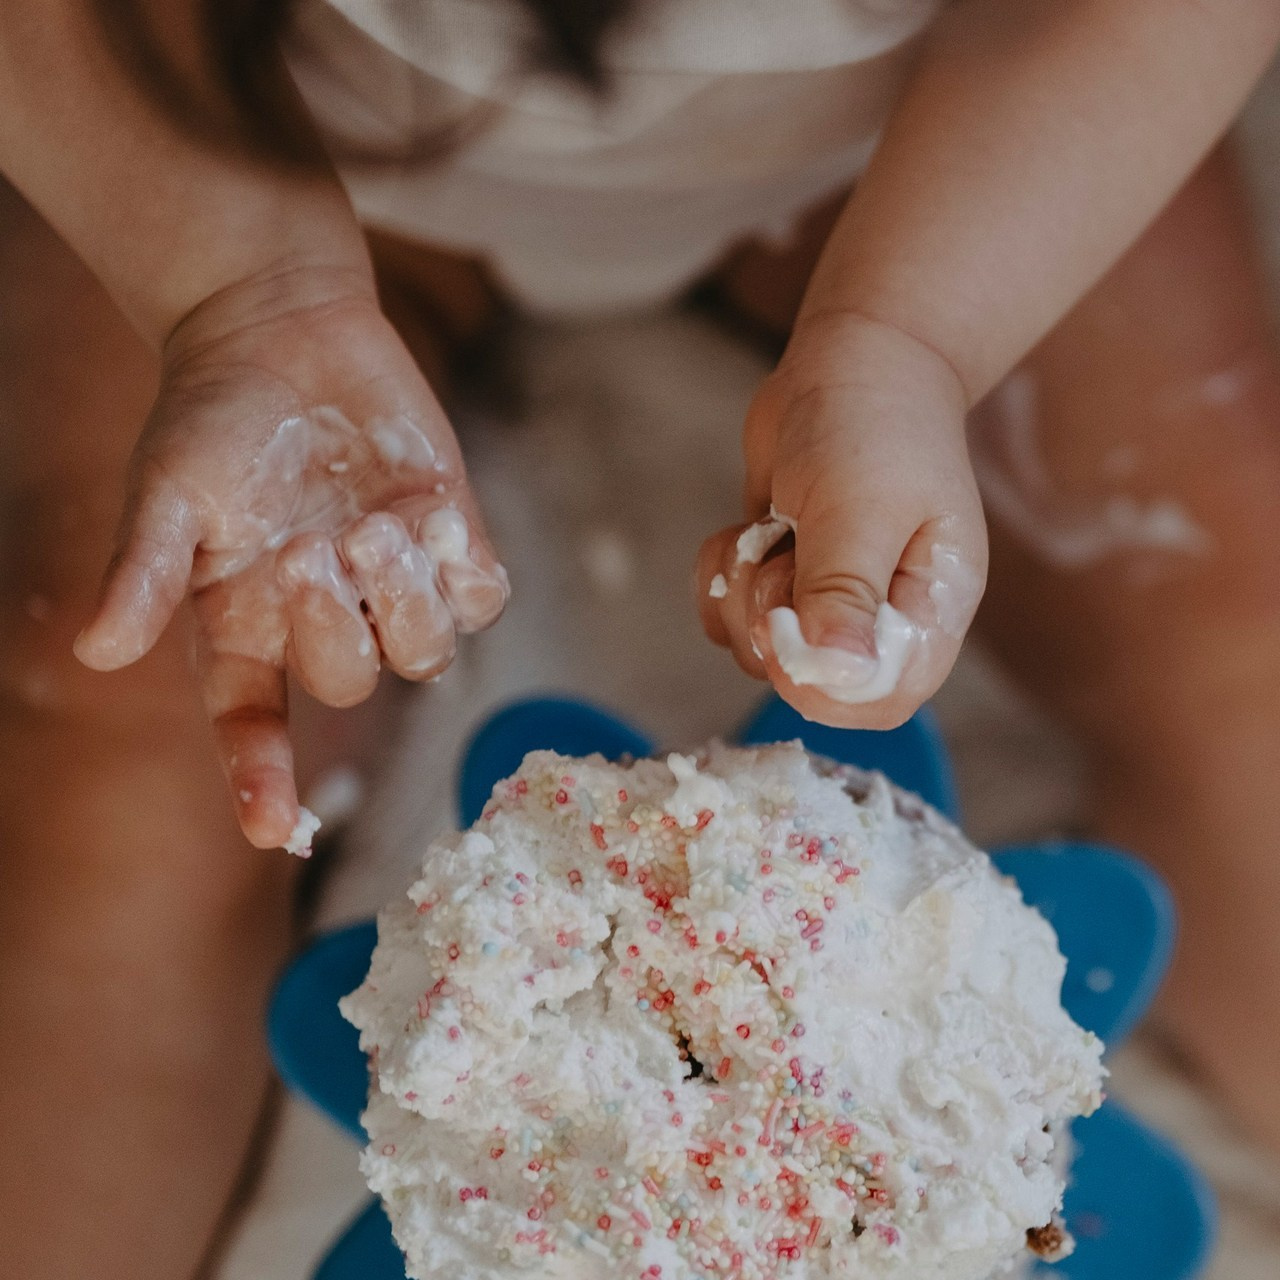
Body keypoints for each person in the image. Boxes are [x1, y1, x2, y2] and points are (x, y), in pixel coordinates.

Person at [2, 1, 1279, 1276]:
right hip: (257, 155)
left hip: (951, 156)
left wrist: (910, 337)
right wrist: (232, 295)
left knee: (1229, 623)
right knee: (108, 750)